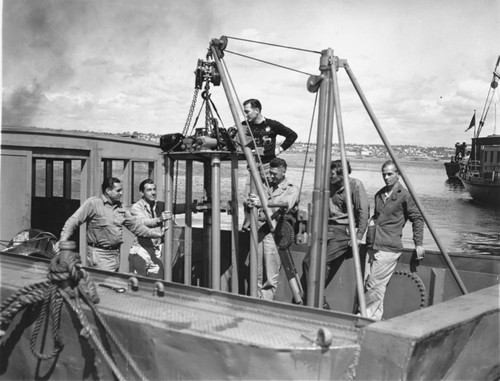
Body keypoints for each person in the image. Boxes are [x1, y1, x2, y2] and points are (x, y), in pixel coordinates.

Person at [300, 160, 369, 309]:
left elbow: (364, 211)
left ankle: (316, 300)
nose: (329, 178)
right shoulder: (329, 186)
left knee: (322, 262)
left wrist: (359, 236)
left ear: (341, 174)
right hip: (327, 228)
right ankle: (315, 298)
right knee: (307, 261)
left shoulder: (355, 186)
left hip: (343, 232)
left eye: (331, 175)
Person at [59, 177, 166, 272]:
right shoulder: (94, 203)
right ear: (108, 191)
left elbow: (137, 227)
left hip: (114, 255)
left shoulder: (120, 208)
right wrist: (63, 240)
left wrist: (158, 234)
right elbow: (74, 220)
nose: (121, 193)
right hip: (99, 254)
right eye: (118, 190)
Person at [363, 160, 425, 320]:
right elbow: (376, 217)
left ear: (398, 174)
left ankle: (364, 319)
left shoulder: (404, 196)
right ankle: (374, 321)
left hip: (389, 248)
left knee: (374, 286)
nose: (386, 177)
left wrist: (418, 244)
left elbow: (417, 218)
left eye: (390, 174)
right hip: (373, 245)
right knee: (374, 286)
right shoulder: (379, 194)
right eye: (384, 174)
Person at [245, 158, 299, 300]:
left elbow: (284, 204)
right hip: (260, 230)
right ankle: (254, 300)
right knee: (256, 271)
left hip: (275, 232)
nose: (272, 176)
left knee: (270, 275)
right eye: (270, 173)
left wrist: (262, 202)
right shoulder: (265, 186)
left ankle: (265, 304)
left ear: (284, 171)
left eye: (275, 173)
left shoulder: (291, 189)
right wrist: (249, 202)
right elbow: (249, 200)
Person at [241, 98, 297, 230]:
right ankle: (248, 225)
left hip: (267, 166)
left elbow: (292, 135)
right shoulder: (245, 126)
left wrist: (280, 149)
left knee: (270, 195)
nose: (246, 114)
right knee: (247, 198)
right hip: (253, 166)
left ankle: (272, 223)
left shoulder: (272, 125)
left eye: (247, 111)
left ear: (257, 110)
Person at [128, 179, 172, 279]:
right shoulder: (136, 207)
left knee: (157, 280)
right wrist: (159, 219)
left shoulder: (158, 205)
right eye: (149, 190)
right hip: (141, 250)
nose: (153, 192)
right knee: (139, 282)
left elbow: (177, 207)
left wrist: (192, 206)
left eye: (154, 189)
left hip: (155, 250)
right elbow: (143, 223)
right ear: (142, 192)